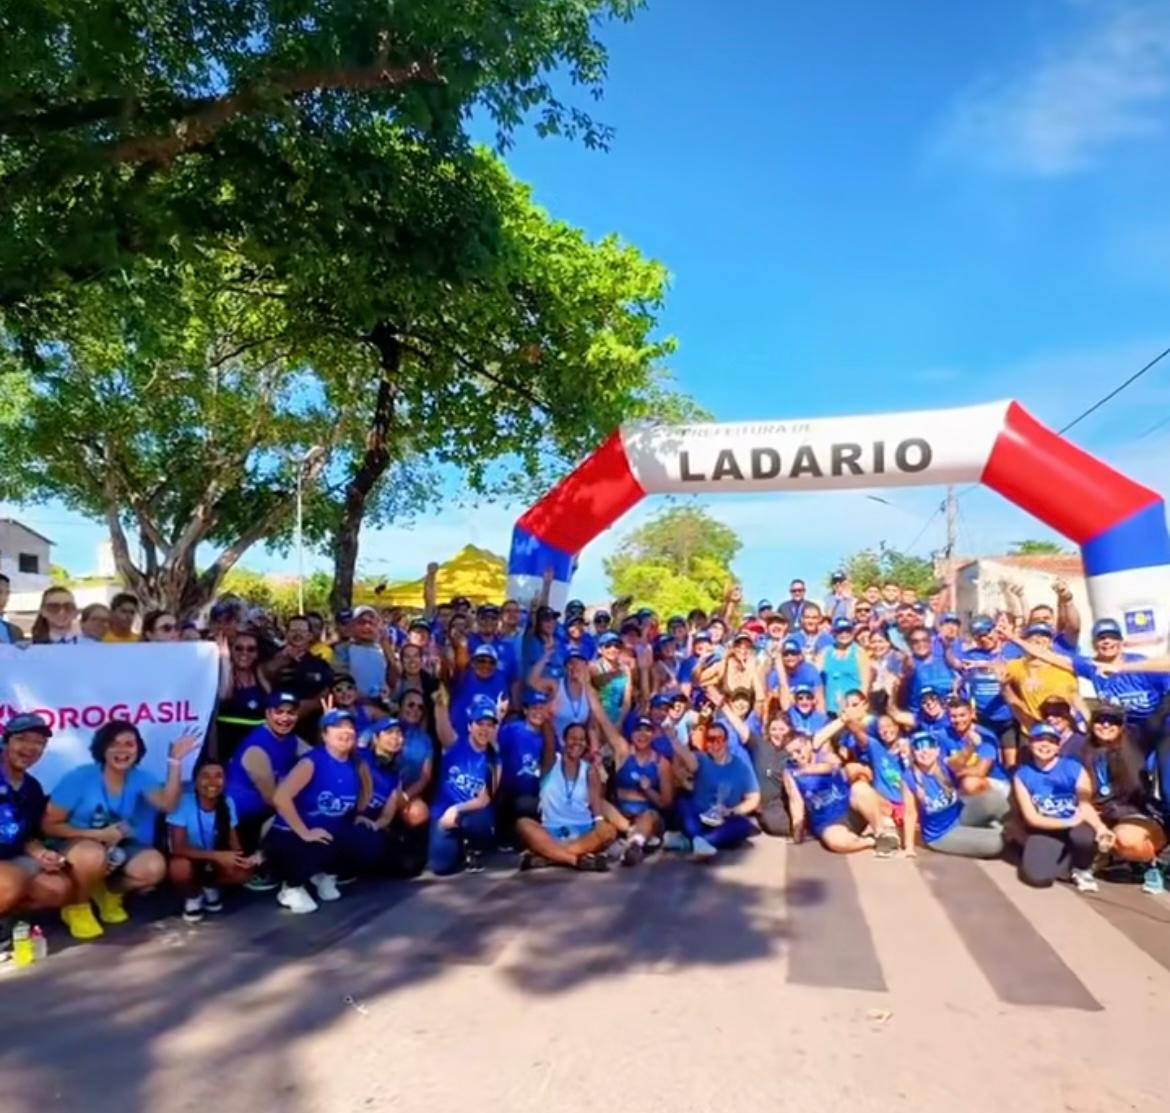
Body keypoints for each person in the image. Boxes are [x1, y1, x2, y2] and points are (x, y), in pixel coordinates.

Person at [43, 721, 198, 938]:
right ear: (102, 748)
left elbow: (169, 805)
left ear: (138, 749)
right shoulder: (79, 778)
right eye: (113, 744)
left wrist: (175, 761)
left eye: (129, 744)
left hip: (116, 845)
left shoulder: (140, 777)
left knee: (153, 868)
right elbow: (49, 826)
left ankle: (106, 893)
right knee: (92, 855)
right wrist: (96, 835)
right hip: (76, 843)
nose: (122, 750)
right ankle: (76, 906)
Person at [263, 708, 365, 913]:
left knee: (362, 836)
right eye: (337, 727)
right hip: (290, 835)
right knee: (309, 844)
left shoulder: (354, 764)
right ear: (325, 734)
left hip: (327, 832)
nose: (345, 732)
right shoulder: (312, 761)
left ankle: (325, 874)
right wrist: (304, 832)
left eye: (349, 727)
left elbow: (360, 800)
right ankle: (291, 887)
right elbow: (280, 797)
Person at [0, 714, 72, 956]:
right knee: (11, 879)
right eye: (22, 739)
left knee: (58, 888)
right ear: (6, 741)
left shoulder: (32, 787)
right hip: (7, 869)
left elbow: (28, 835)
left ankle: (6, 918)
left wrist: (42, 854)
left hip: (12, 857)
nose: (30, 748)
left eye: (39, 743)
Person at [1013, 721, 1112, 892]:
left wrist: (1100, 828)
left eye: (1051, 740)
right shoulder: (1022, 774)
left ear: (1058, 746)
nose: (1045, 744)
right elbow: (1032, 818)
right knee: (1037, 878)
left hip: (1077, 826)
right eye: (1038, 739)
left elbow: (1085, 804)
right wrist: (1069, 822)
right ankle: (1067, 861)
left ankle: (1082, 868)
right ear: (1030, 744)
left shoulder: (1074, 768)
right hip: (1046, 827)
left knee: (1083, 837)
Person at [1081, 704, 1168, 894]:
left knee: (1127, 840)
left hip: (1134, 813)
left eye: (1112, 721)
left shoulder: (1136, 740)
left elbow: (1158, 716)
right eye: (1100, 720)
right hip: (1097, 813)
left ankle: (1153, 865)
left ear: (1122, 726)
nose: (1105, 725)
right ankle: (1113, 858)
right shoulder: (1081, 747)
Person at [587, 683, 675, 866]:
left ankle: (634, 845)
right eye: (638, 731)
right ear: (632, 734)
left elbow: (666, 803)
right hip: (621, 816)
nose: (642, 735)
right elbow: (603, 720)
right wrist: (586, 686)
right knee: (598, 801)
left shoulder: (662, 763)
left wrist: (649, 790)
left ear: (653, 735)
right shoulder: (623, 751)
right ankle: (632, 836)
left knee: (649, 815)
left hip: (648, 815)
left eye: (647, 731)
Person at [224, 691, 305, 886]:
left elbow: (317, 758)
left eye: (291, 713)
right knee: (296, 812)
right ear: (268, 714)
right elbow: (274, 799)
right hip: (242, 821)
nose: (285, 718)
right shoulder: (257, 747)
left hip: (262, 812)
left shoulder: (291, 739)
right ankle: (260, 863)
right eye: (279, 712)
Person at [782, 721, 899, 855]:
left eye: (798, 751)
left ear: (808, 745)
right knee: (836, 843)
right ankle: (871, 841)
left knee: (860, 788)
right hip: (827, 822)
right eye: (791, 754)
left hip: (850, 808)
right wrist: (797, 834)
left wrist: (807, 770)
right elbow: (796, 802)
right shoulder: (790, 772)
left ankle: (881, 832)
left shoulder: (825, 756)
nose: (796, 757)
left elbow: (832, 766)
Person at [515, 720, 615, 871]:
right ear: (563, 741)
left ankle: (550, 857)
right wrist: (547, 717)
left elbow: (596, 802)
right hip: (551, 831)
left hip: (583, 832)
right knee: (523, 824)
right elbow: (548, 740)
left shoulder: (590, 770)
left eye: (581, 739)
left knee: (609, 831)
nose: (577, 743)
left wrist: (600, 822)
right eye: (572, 738)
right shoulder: (551, 762)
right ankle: (575, 860)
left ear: (586, 744)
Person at [167, 759, 257, 922]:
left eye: (218, 776)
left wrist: (242, 859)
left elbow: (234, 842)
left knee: (243, 871)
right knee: (179, 867)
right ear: (195, 782)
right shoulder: (183, 803)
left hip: (213, 858)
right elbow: (177, 848)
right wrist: (216, 856)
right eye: (205, 776)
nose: (212, 782)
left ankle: (209, 885)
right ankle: (193, 896)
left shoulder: (227, 802)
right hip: (190, 857)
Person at [343, 716, 429, 879]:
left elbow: (386, 817)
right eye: (389, 732)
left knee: (408, 866)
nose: (395, 737)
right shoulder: (359, 756)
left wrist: (375, 825)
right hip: (345, 819)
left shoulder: (395, 775)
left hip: (367, 825)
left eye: (399, 733)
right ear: (376, 737)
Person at [429, 691, 501, 875]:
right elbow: (442, 723)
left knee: (479, 823)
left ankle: (474, 848)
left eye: (490, 725)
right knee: (441, 867)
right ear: (470, 726)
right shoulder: (453, 743)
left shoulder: (495, 761)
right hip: (443, 813)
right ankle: (457, 848)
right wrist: (440, 704)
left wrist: (457, 810)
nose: (484, 729)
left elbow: (485, 799)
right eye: (480, 723)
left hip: (471, 813)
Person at [902, 731, 1005, 859]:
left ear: (937, 750)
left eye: (929, 746)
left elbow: (960, 758)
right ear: (913, 753)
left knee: (994, 800)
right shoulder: (909, 777)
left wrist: (971, 745)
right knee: (996, 843)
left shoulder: (945, 764)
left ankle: (1015, 830)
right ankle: (998, 832)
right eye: (918, 747)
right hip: (942, 835)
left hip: (960, 815)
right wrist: (909, 847)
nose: (925, 751)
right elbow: (910, 813)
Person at [670, 720, 761, 859]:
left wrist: (732, 811)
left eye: (719, 739)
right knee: (684, 805)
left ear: (726, 741)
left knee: (742, 826)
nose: (715, 744)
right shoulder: (701, 759)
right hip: (699, 815)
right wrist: (672, 737)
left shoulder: (740, 766)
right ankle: (700, 841)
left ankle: (697, 842)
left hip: (723, 818)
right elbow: (686, 756)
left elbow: (754, 797)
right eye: (710, 740)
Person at [494, 692, 549, 847]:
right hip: (510, 794)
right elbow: (492, 742)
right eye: (534, 708)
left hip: (538, 793)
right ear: (525, 710)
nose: (538, 712)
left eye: (542, 708)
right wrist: (499, 717)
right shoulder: (512, 730)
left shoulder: (548, 735)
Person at [215, 630, 271, 763]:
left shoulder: (261, 676)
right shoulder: (221, 676)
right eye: (238, 648)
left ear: (257, 653)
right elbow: (223, 695)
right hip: (231, 753)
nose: (244, 653)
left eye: (251, 649)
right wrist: (225, 661)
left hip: (261, 752)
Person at [750, 714, 793, 837]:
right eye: (773, 729)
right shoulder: (761, 746)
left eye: (781, 729)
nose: (777, 733)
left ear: (790, 729)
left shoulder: (795, 747)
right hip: (770, 805)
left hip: (791, 800)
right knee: (775, 827)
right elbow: (741, 729)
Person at [818, 617, 871, 714]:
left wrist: (859, 708)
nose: (844, 634)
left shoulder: (859, 653)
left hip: (852, 709)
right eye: (840, 631)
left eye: (848, 630)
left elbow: (865, 684)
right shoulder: (825, 652)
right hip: (830, 709)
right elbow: (817, 681)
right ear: (833, 633)